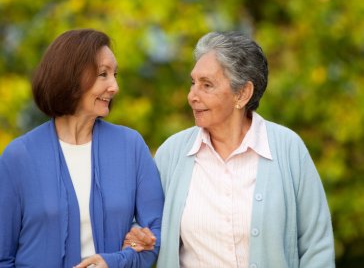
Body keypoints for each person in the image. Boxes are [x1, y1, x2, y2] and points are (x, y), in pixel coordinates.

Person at [125, 31, 335, 268]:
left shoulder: (288, 148)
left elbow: (317, 248)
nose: (192, 95)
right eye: (193, 83)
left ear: (242, 93)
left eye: (207, 85)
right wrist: (138, 236)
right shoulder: (172, 153)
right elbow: (141, 224)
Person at [0, 29, 164, 268]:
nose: (114, 87)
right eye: (103, 75)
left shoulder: (131, 146)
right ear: (70, 77)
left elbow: (157, 234)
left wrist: (116, 261)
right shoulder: (18, 157)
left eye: (114, 75)